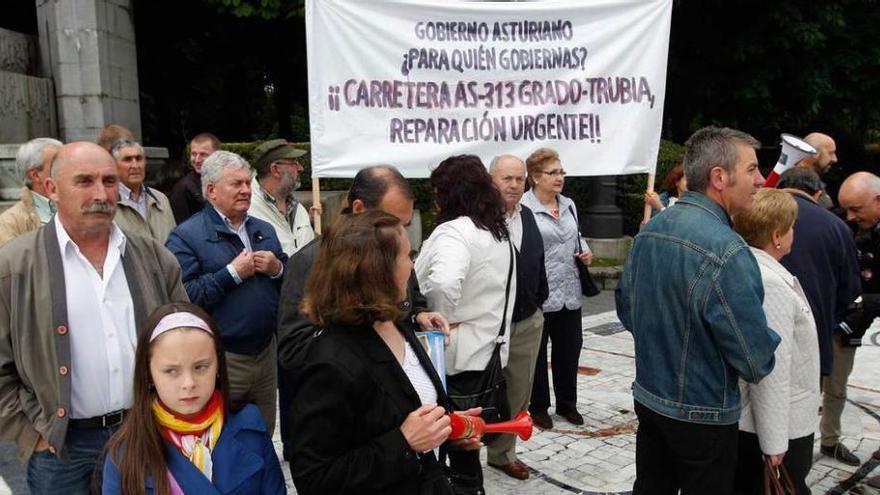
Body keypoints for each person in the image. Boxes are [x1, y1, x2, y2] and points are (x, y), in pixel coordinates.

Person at [0, 142, 187, 493]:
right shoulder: (14, 266)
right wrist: (33, 433)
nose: (101, 193)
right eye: (84, 181)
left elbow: (184, 339)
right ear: (51, 189)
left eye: (109, 181)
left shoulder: (153, 258)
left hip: (142, 434)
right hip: (62, 449)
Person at [616, 126, 780, 494]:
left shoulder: (652, 228)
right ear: (719, 178)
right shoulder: (728, 251)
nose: (760, 180)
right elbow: (755, 361)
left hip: (650, 398)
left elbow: (628, 311)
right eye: (752, 169)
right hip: (703, 415)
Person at [288, 211, 481, 494]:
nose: (412, 265)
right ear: (377, 271)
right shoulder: (329, 361)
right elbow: (314, 477)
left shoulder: (396, 322)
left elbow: (404, 407)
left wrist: (447, 428)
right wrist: (404, 443)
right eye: (406, 256)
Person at [276, 164, 449, 461]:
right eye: (392, 221)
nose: (400, 235)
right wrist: (356, 348)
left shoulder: (395, 252)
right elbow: (293, 348)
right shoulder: (308, 262)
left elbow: (410, 298)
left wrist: (419, 313)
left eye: (405, 226)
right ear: (359, 208)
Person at [102, 302, 285, 494]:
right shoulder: (125, 452)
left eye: (200, 367)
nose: (188, 383)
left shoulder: (249, 423)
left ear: (218, 366)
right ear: (148, 373)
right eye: (171, 371)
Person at [165, 150, 287, 434]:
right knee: (221, 441)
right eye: (236, 184)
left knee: (262, 437)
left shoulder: (264, 229)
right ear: (211, 190)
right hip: (222, 358)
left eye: (247, 183)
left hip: (265, 354)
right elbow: (185, 296)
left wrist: (277, 267)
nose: (246, 190)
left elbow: (287, 282)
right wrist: (231, 274)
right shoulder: (186, 236)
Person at [415, 154, 515, 488]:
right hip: (485, 350)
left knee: (455, 443)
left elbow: (443, 284)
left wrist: (434, 316)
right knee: (466, 445)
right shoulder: (496, 231)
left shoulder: (455, 232)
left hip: (452, 356)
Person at [731, 189, 819, 495]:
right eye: (792, 226)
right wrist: (774, 443)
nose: (795, 232)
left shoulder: (754, 268)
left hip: (765, 425)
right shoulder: (769, 283)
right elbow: (772, 369)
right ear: (777, 235)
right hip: (774, 428)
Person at [777, 167, 862, 465]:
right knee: (800, 410)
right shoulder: (837, 228)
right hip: (816, 338)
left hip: (759, 335)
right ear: (817, 194)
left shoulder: (753, 214)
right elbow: (850, 293)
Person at [520, 147, 591, 429]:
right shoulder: (523, 208)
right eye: (553, 173)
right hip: (540, 293)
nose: (559, 177)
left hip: (570, 292)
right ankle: (538, 407)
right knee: (537, 355)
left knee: (569, 349)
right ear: (536, 177)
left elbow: (577, 237)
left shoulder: (569, 204)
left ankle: (567, 404)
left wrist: (585, 250)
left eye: (561, 171)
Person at [487, 154, 548, 480]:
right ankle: (461, 452)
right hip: (485, 324)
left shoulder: (529, 216)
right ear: (490, 179)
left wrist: (537, 305)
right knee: (474, 388)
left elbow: (537, 265)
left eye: (519, 179)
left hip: (525, 322)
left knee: (518, 392)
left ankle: (502, 453)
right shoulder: (475, 219)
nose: (513, 185)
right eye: (506, 178)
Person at [247, 139, 317, 255]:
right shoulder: (247, 209)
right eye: (294, 162)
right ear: (275, 170)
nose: (300, 168)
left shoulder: (297, 208)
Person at [110, 139, 176, 243]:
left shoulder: (160, 199)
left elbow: (174, 241)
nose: (135, 165)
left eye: (139, 159)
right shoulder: (109, 203)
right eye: (127, 159)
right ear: (114, 166)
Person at [0, 137, 62, 245]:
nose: (68, 168)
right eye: (57, 164)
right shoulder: (9, 223)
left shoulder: (81, 205)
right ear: (35, 175)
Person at [170, 133, 219, 223]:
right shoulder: (182, 189)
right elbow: (183, 228)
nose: (197, 160)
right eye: (194, 154)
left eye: (203, 154)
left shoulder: (224, 180)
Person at [796, 132, 838, 208]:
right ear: (813, 153)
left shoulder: (810, 181)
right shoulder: (797, 182)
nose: (835, 159)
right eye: (830, 153)